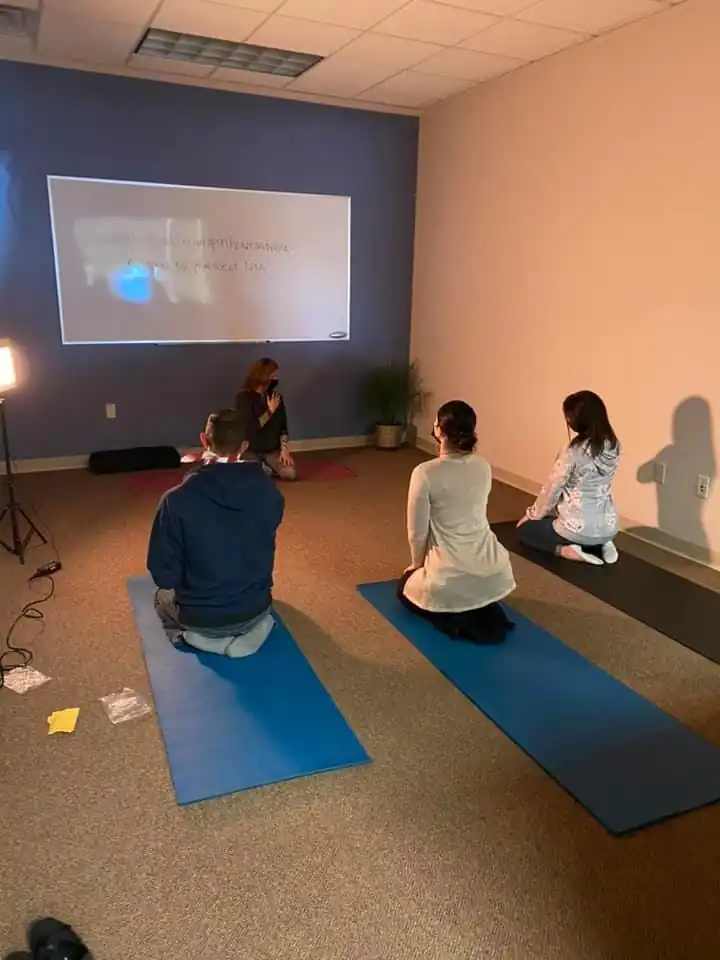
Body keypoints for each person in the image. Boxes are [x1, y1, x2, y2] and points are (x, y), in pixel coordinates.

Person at [147, 408, 285, 657]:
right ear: (244, 446)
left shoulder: (175, 501)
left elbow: (164, 577)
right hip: (256, 609)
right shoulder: (269, 491)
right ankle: (253, 631)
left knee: (161, 597)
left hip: (201, 619)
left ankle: (196, 638)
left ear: (204, 440)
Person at [399, 400, 516, 644]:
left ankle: (456, 616)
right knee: (468, 591)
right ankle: (477, 606)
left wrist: (416, 566)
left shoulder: (425, 472)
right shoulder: (483, 466)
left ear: (439, 431)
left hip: (448, 578)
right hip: (494, 570)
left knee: (403, 590)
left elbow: (416, 531)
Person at [516, 390, 620, 565]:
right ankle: (603, 543)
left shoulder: (572, 451)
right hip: (609, 526)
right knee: (564, 524)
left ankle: (567, 550)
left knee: (526, 531)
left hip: (577, 527)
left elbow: (552, 488)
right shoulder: (613, 445)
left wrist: (532, 515)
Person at [235, 357, 297, 480]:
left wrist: (284, 450)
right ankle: (263, 468)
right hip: (251, 449)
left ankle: (268, 467)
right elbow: (251, 427)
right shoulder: (244, 397)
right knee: (255, 476)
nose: (276, 378)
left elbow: (283, 427)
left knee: (290, 473)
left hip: (271, 450)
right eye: (273, 375)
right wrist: (269, 412)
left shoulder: (276, 397)